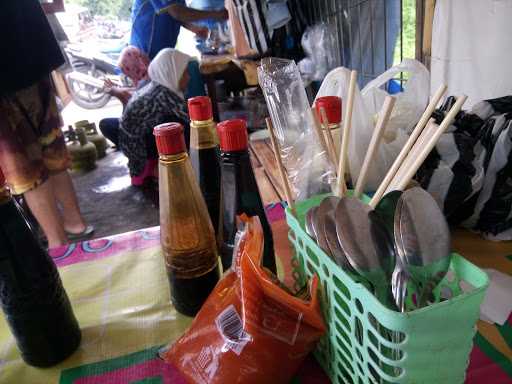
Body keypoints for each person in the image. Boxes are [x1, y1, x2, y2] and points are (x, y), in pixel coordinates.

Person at [0, 0, 92, 248]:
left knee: (26, 168)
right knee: (50, 145)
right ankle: (75, 222)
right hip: (31, 49)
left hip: (6, 71)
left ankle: (58, 243)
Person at [119, 48, 191, 186]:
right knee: (182, 128)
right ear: (172, 72)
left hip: (132, 146)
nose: (188, 77)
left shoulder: (156, 85)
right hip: (139, 153)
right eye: (185, 72)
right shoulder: (163, 94)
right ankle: (157, 168)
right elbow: (195, 121)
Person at [130, 0, 228, 59]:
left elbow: (177, 16)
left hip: (162, 52)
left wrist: (197, 29)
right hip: (145, 55)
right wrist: (216, 14)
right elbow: (177, 12)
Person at [99, 46, 151, 148]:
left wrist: (118, 93)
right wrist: (120, 91)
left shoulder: (146, 81)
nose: (128, 75)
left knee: (105, 124)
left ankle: (127, 147)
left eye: (126, 70)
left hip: (148, 137)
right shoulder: (151, 71)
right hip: (151, 129)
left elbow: (128, 120)